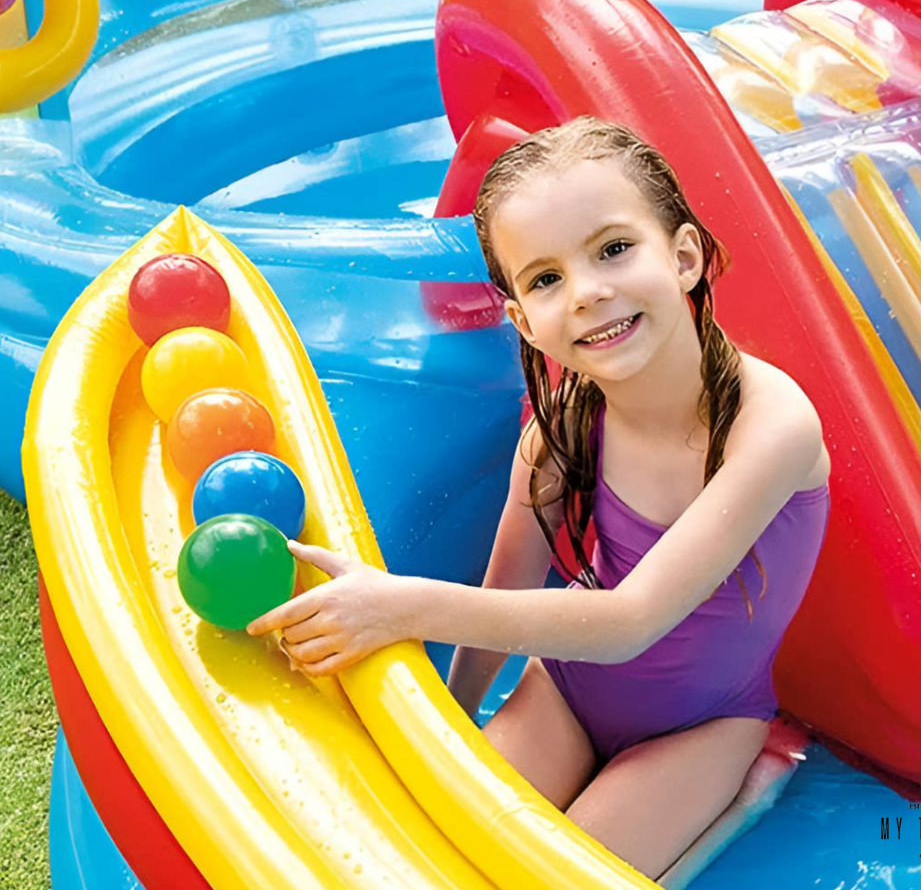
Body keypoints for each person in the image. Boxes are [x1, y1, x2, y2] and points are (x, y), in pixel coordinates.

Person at [247, 115, 831, 879]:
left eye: (615, 249)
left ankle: (739, 803)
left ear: (684, 256)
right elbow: (505, 593)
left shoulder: (773, 424)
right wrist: (451, 727)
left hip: (706, 724)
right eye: (547, 278)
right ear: (522, 319)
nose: (588, 293)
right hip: (567, 691)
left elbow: (632, 621)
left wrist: (399, 605)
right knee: (439, 854)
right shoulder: (560, 430)